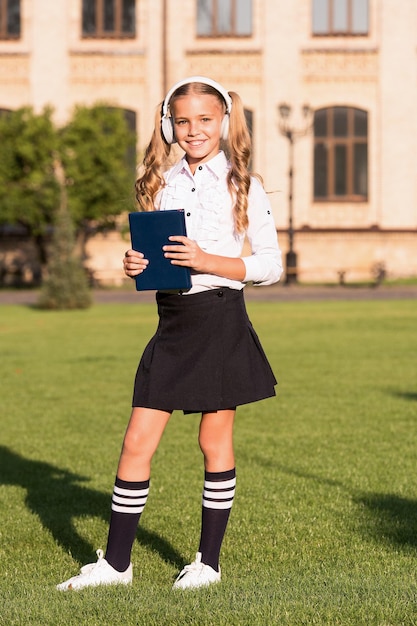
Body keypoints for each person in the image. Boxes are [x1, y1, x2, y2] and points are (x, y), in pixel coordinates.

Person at [57, 76, 283, 591]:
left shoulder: (244, 183)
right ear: (169, 124)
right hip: (172, 322)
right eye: (183, 121)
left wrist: (208, 260)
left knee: (213, 439)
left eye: (205, 120)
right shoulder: (162, 182)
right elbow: (158, 260)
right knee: (137, 439)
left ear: (224, 122)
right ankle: (116, 565)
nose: (194, 130)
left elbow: (271, 266)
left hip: (220, 317)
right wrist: (138, 265)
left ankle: (208, 563)